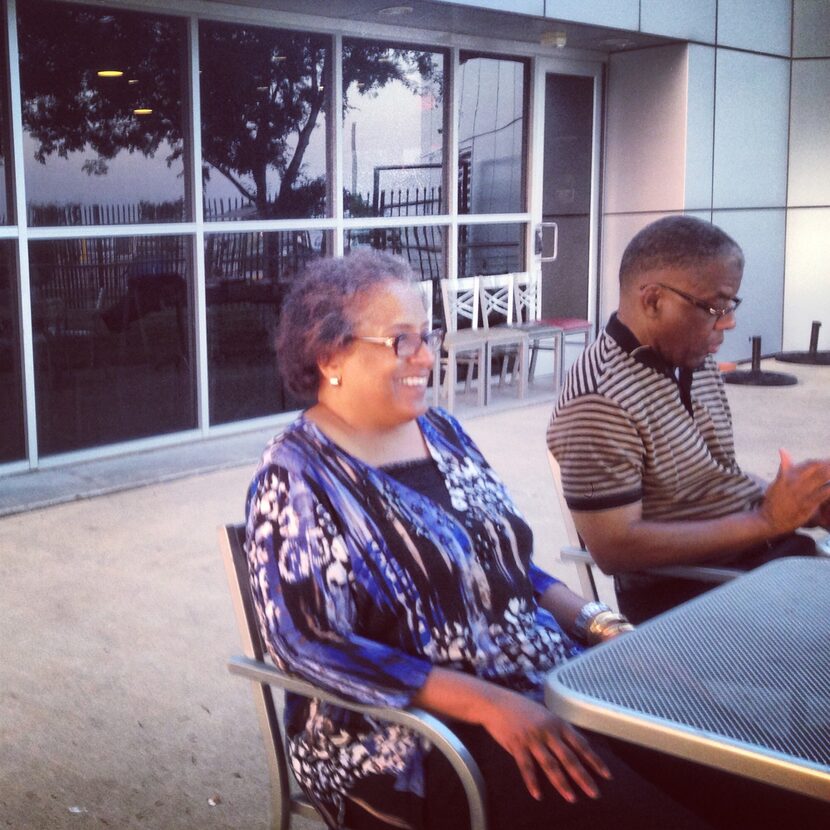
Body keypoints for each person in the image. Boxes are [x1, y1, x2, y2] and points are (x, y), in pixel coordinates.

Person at [245, 249, 830, 830]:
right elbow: (310, 644)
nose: (428, 355)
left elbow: (508, 566)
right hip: (406, 740)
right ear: (330, 357)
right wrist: (488, 704)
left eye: (429, 333)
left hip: (542, 678)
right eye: (401, 340)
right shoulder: (296, 476)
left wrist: (606, 629)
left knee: (743, 773)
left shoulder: (441, 432)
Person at [547, 215, 830, 624]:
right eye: (715, 306)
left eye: (731, 305)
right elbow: (616, 548)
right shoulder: (600, 400)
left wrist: (800, 502)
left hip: (755, 562)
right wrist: (766, 520)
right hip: (689, 597)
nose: (729, 321)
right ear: (654, 301)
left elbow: (709, 479)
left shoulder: (690, 359)